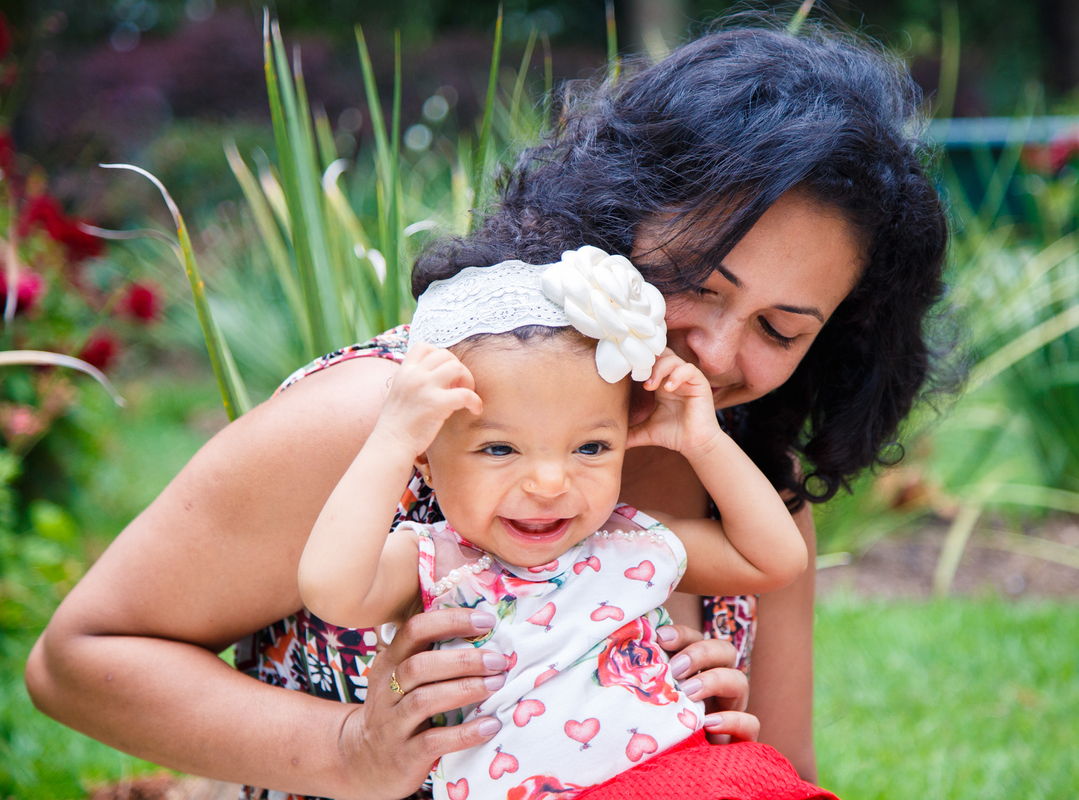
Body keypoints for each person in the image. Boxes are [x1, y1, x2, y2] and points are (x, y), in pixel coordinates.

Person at [24, 19, 948, 800]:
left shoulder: (748, 479)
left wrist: (714, 739)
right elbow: (80, 660)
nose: (715, 349)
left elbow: (791, 765)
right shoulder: (393, 419)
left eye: (781, 331)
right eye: (698, 284)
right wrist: (355, 750)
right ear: (620, 215)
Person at [298, 248, 823, 800]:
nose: (550, 483)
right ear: (426, 459)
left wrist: (704, 441)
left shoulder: (627, 541)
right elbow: (331, 590)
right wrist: (392, 438)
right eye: (499, 448)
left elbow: (776, 560)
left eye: (591, 446)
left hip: (681, 774)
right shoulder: (437, 563)